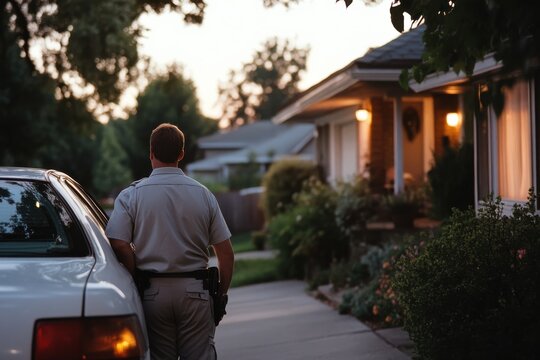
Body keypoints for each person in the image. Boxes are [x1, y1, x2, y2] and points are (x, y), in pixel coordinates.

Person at [106, 123, 234, 360]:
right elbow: (226, 254)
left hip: (152, 293)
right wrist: (220, 296)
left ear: (151, 153)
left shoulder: (131, 195)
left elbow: (118, 242)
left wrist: (135, 276)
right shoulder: (203, 194)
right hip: (196, 292)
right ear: (181, 154)